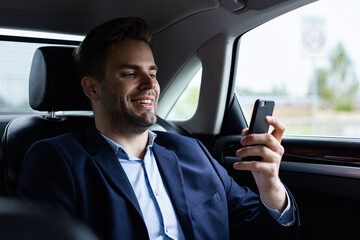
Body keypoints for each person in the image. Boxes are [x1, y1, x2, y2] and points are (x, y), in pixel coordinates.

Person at [16, 17, 299, 239]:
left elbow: (261, 229)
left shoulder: (191, 152)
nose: (150, 84)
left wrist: (270, 184)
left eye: (152, 72)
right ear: (92, 87)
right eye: (130, 73)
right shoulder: (55, 160)